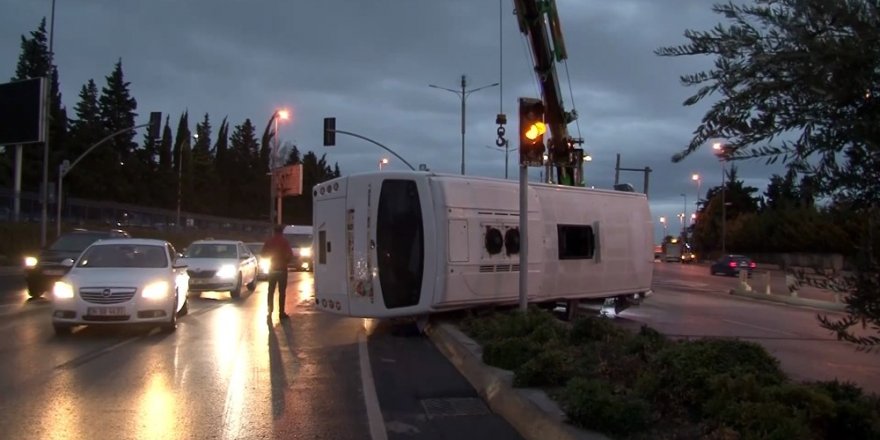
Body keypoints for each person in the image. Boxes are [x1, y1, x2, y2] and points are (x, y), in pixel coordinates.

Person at [262, 224, 293, 320]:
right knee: (282, 292)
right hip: (282, 270)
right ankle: (281, 313)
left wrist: (271, 258)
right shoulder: (284, 242)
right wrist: (285, 261)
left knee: (270, 291)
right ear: (282, 232)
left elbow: (263, 254)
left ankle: (270, 310)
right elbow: (289, 255)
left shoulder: (269, 241)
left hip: (272, 269)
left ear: (274, 231)